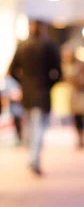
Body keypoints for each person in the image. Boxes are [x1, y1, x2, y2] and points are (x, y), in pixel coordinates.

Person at [9, 21, 62, 176]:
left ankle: (32, 157)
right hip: (42, 93)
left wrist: (23, 83)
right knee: (38, 127)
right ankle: (34, 159)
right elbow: (58, 73)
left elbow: (12, 71)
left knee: (31, 126)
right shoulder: (49, 46)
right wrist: (49, 84)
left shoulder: (22, 46)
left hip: (27, 94)